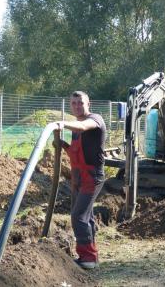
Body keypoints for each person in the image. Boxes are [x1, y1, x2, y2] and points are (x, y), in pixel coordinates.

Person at [56, 91, 106, 270]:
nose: (77, 106)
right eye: (74, 103)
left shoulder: (94, 120)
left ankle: (88, 258)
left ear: (88, 103)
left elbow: (84, 127)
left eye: (80, 103)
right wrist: (64, 146)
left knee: (78, 217)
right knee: (87, 216)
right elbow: (77, 154)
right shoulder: (76, 128)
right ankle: (91, 255)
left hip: (92, 177)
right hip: (78, 178)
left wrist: (62, 123)